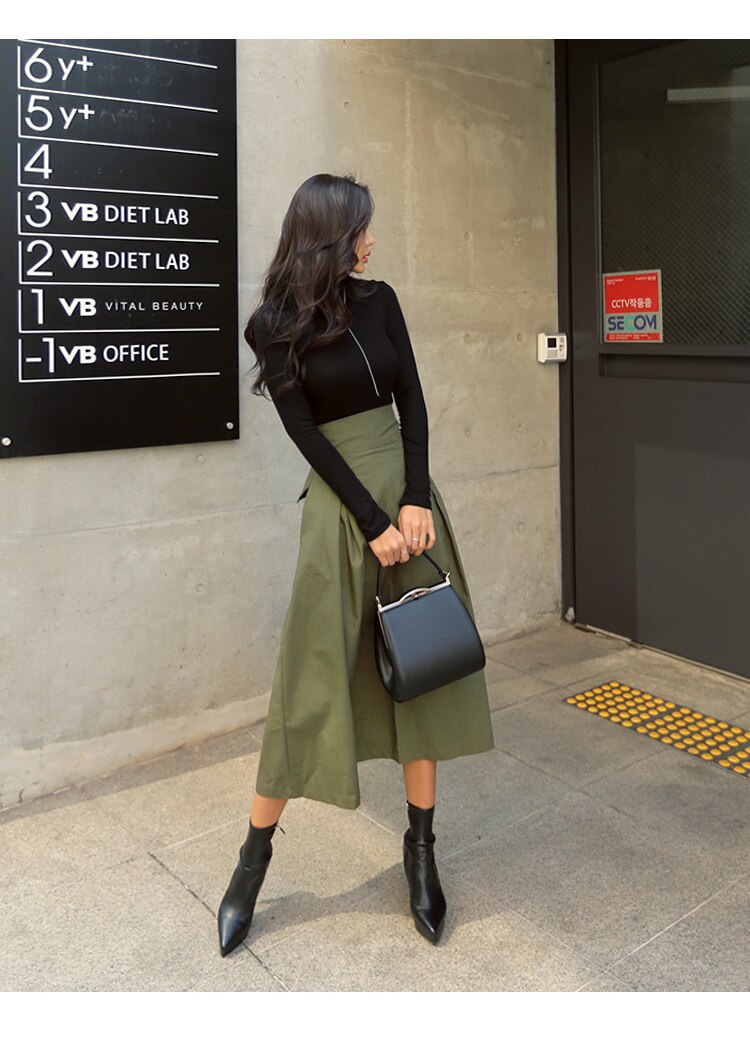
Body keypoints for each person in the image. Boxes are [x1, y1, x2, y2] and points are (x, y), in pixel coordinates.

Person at [217, 173, 495, 957]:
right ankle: (251, 862)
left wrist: (415, 499)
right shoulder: (271, 326)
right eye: (363, 228)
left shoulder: (381, 301)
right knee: (308, 681)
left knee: (423, 668)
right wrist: (372, 523)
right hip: (344, 514)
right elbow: (304, 435)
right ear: (332, 234)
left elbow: (414, 401)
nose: (373, 240)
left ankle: (420, 853)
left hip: (409, 507)